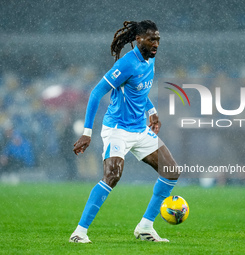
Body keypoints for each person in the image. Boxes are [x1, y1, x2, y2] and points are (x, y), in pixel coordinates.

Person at [70, 20, 179, 243]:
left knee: (171, 171)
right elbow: (96, 93)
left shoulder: (150, 59)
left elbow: (139, 90)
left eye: (158, 39)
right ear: (138, 39)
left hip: (140, 129)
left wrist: (152, 110)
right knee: (112, 176)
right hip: (117, 130)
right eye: (151, 39)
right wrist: (87, 132)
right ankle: (79, 233)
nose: (156, 43)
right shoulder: (126, 63)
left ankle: (145, 227)